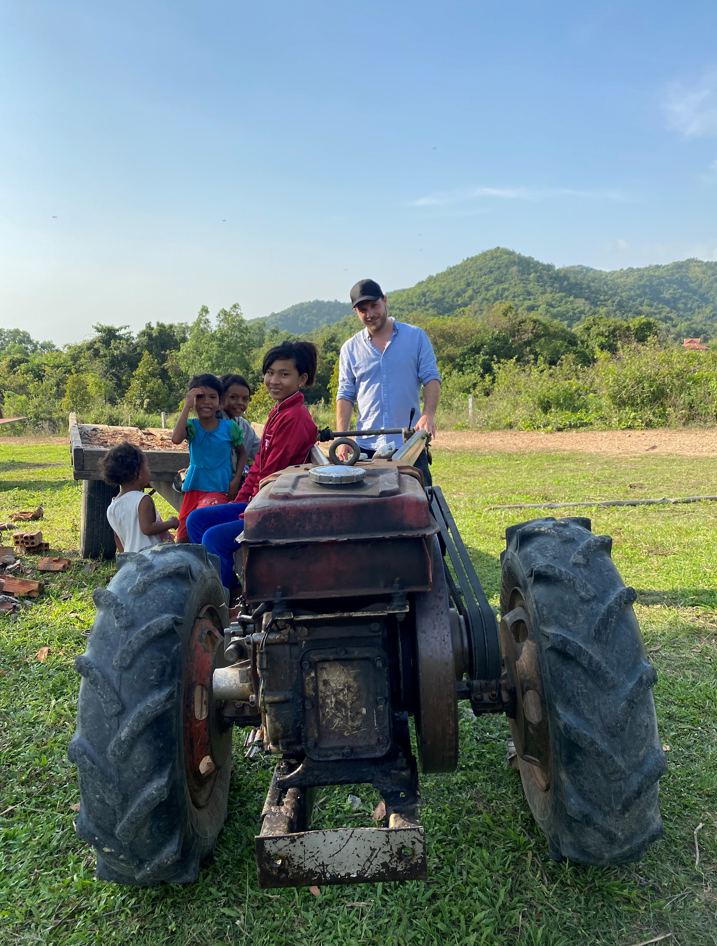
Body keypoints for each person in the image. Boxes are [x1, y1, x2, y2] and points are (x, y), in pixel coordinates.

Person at [187, 340, 318, 595]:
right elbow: (260, 465)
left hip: (280, 507)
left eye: (284, 374)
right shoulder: (278, 412)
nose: (274, 380)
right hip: (261, 500)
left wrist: (247, 512)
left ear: (301, 378)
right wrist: (245, 498)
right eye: (270, 373)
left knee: (215, 538)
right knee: (196, 520)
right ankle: (230, 592)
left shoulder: (296, 417)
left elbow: (277, 476)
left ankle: (225, 604)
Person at [335, 278, 441, 485]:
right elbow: (346, 394)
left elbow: (431, 378)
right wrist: (343, 438)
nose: (370, 314)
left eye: (374, 305)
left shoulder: (416, 337)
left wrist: (428, 415)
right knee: (368, 509)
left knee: (420, 506)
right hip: (365, 447)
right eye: (362, 309)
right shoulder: (350, 348)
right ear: (355, 312)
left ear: (385, 301)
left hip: (409, 443)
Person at [171, 373, 247, 543]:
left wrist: (235, 480)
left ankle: (210, 566)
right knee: (183, 538)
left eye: (212, 397)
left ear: (220, 402)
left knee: (205, 528)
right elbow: (176, 439)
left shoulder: (229, 427)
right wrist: (186, 406)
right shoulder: (192, 426)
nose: (206, 401)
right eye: (200, 397)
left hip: (219, 487)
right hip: (194, 486)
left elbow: (242, 453)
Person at [100, 442, 179, 553]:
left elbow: (117, 537)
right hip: (151, 558)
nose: (148, 470)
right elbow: (148, 528)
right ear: (137, 473)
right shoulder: (142, 500)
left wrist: (127, 560)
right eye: (146, 466)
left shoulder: (112, 507)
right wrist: (170, 523)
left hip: (134, 561)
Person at [219, 374, 261, 464]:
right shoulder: (212, 423)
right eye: (233, 397)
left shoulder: (244, 425)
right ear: (220, 398)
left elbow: (261, 453)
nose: (240, 402)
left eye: (245, 399)